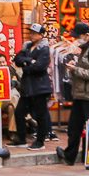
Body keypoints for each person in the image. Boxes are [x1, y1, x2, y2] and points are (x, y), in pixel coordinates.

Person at [57, 22, 89, 166]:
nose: (75, 40)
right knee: (74, 127)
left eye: (78, 37)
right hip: (80, 95)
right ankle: (69, 156)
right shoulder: (84, 49)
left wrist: (75, 70)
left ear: (87, 35)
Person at [13, 23, 54, 151]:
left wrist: (26, 63)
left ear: (41, 35)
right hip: (27, 87)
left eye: (34, 33)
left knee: (41, 115)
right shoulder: (27, 46)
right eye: (31, 32)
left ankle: (40, 141)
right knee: (19, 112)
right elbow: (17, 59)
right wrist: (30, 61)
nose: (31, 35)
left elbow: (40, 67)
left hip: (40, 88)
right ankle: (21, 139)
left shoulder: (45, 49)